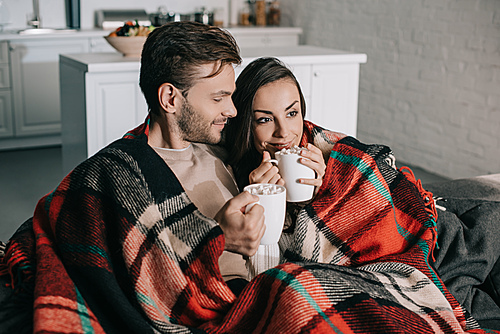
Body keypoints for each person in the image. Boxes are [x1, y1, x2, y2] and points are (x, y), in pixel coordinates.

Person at [0, 25, 494, 334]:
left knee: (487, 220)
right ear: (170, 98)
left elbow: (302, 131)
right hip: (265, 289)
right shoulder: (122, 174)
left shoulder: (220, 138)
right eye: (219, 98)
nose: (233, 110)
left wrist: (324, 166)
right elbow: (165, 285)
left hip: (324, 248)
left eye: (234, 96)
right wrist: (222, 245)